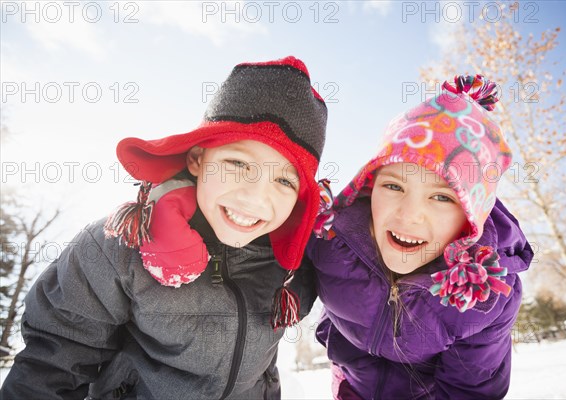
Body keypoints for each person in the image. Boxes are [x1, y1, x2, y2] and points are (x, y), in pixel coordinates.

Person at [1, 56, 328, 399]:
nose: (255, 198)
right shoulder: (116, 247)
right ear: (197, 158)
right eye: (237, 164)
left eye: (284, 181)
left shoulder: (294, 268)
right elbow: (53, 365)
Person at [308, 75, 534, 399]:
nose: (409, 214)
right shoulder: (330, 239)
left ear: (472, 218)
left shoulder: (486, 298)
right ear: (369, 187)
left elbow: (468, 392)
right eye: (394, 186)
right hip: (350, 387)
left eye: (442, 197)